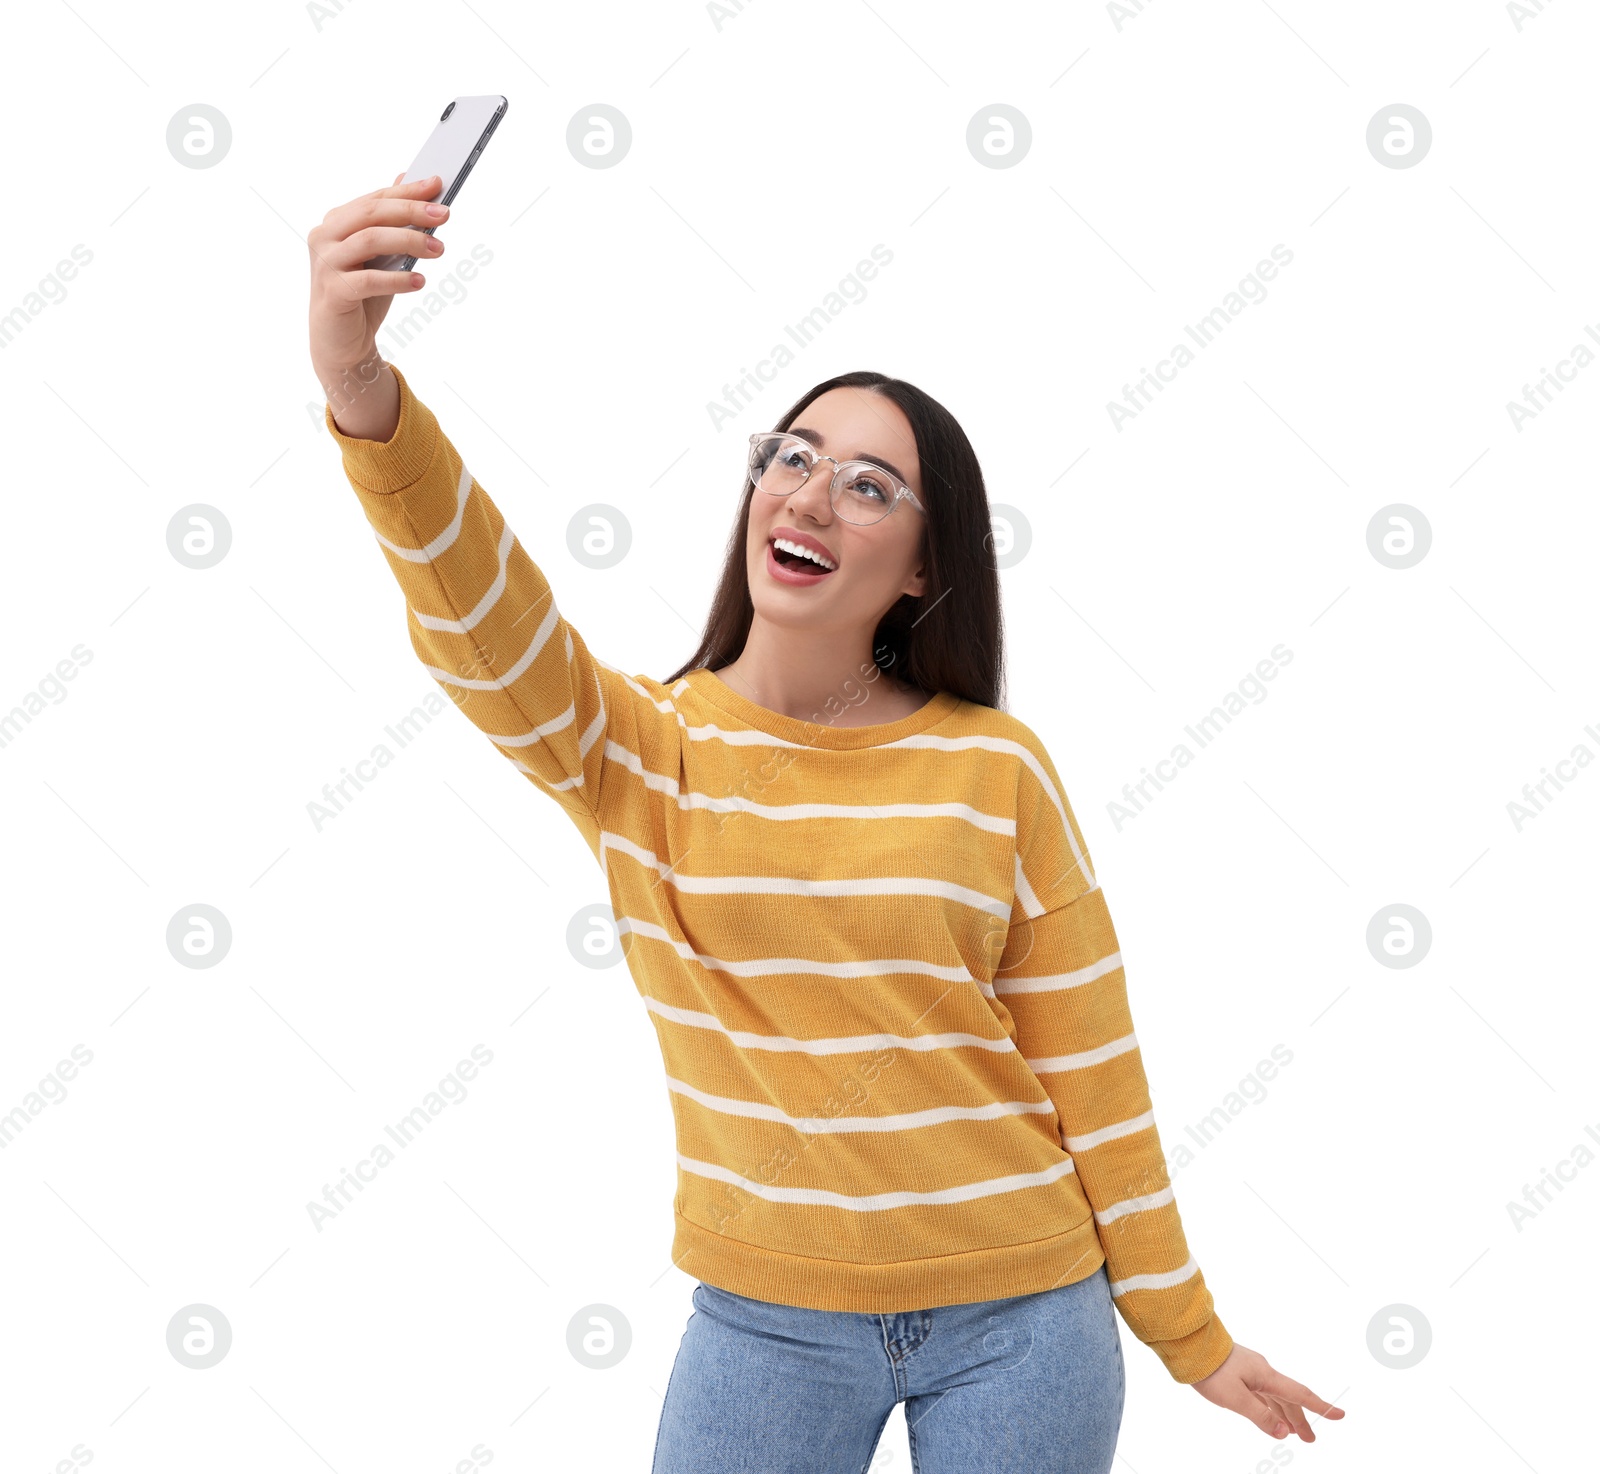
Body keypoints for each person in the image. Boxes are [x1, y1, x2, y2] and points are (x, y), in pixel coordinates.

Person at [309, 174, 1345, 1474]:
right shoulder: (635, 750)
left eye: (867, 484)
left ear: (921, 563)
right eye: (791, 458)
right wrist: (362, 393)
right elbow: (479, 610)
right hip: (765, 1324)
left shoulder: (997, 769)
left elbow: (1094, 1069)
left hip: (1024, 1319)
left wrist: (1187, 1330)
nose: (809, 495)